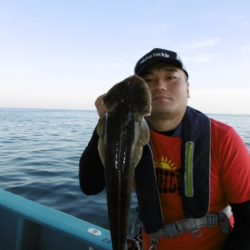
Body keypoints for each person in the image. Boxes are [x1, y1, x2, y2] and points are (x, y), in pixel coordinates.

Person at [79, 48, 250, 250]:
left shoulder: (223, 138)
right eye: (148, 80)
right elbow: (90, 185)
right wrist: (106, 122)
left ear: (187, 89)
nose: (159, 86)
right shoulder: (124, 134)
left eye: (171, 77)